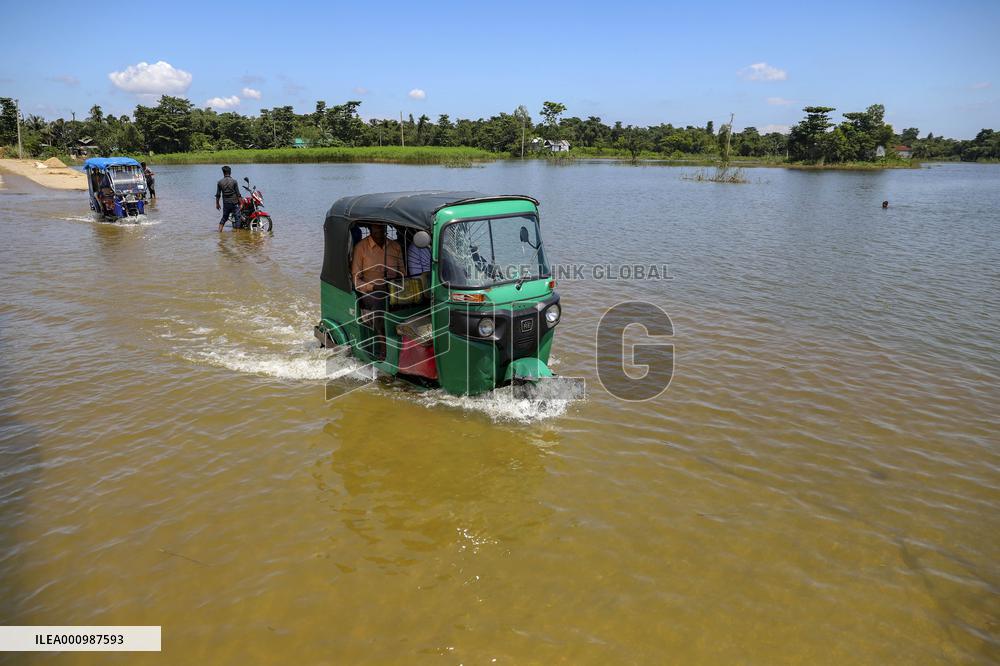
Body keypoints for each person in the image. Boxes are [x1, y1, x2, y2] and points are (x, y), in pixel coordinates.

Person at [351, 224, 404, 359]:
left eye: (382, 227)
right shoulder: (361, 248)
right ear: (370, 229)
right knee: (380, 298)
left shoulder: (395, 247)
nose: (380, 230)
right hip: (370, 293)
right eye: (376, 228)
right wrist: (374, 287)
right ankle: (383, 346)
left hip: (393, 288)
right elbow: (356, 280)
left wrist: (396, 284)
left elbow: (403, 273)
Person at [215, 166, 242, 231]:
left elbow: (218, 195)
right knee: (237, 218)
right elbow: (238, 194)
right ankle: (238, 235)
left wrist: (217, 204)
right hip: (234, 203)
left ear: (223, 173)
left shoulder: (220, 182)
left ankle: (219, 232)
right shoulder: (234, 181)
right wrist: (241, 203)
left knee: (224, 218)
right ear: (230, 172)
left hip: (226, 203)